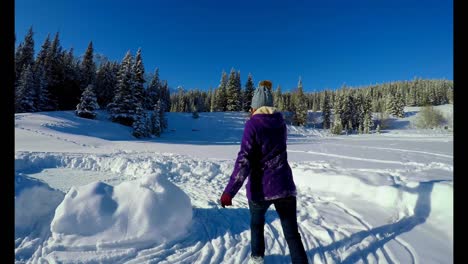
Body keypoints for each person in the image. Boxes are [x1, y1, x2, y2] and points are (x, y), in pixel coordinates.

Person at [220, 80, 308, 264]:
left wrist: (229, 192)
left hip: (261, 189)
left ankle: (257, 259)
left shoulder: (253, 125)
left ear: (255, 107)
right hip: (284, 186)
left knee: (257, 226)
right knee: (292, 234)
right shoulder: (281, 123)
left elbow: (244, 160)